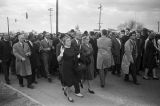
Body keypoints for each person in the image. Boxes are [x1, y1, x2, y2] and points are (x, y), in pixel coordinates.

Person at [57, 34, 83, 102]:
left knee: (75, 80)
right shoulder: (63, 48)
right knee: (68, 83)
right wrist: (61, 54)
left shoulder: (72, 47)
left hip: (73, 66)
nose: (69, 42)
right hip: (66, 68)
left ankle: (70, 91)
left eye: (70, 40)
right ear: (64, 42)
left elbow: (74, 55)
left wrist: (78, 56)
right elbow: (58, 59)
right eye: (68, 41)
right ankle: (69, 96)